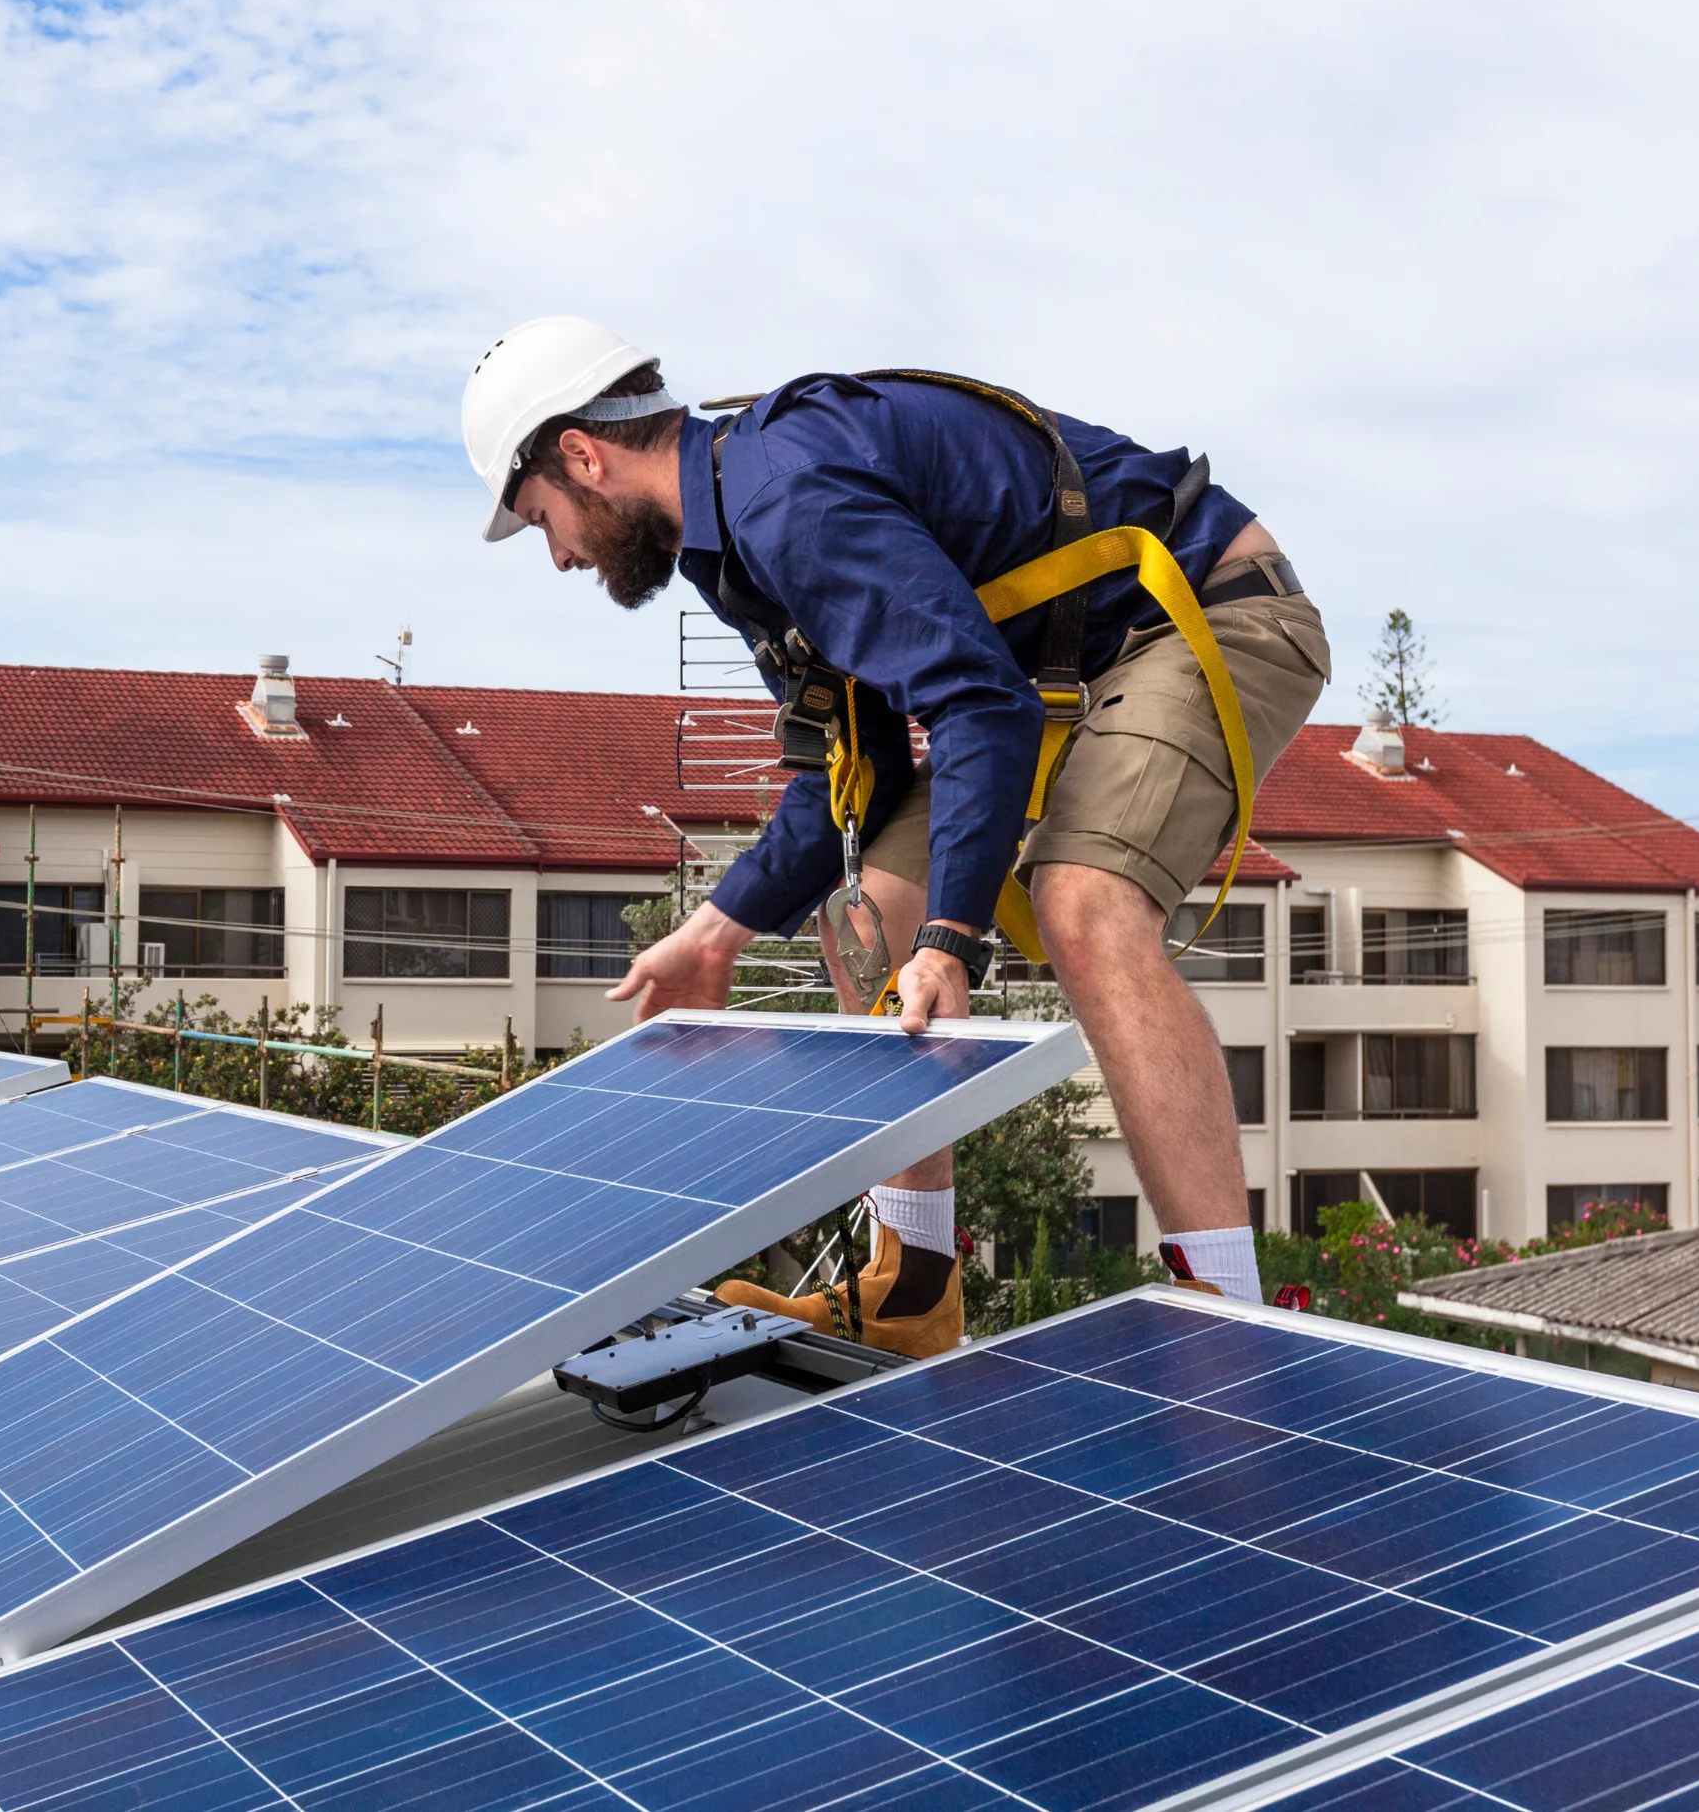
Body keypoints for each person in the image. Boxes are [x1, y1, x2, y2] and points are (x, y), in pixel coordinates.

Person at [461, 318, 1329, 1356]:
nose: (559, 556)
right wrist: (716, 933)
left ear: (582, 455)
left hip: (1203, 610)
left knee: (1082, 906)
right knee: (871, 913)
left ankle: (1226, 1325)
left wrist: (953, 938)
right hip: (1052, 670)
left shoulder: (784, 495)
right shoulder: (732, 541)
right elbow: (852, 773)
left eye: (543, 518)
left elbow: (980, 707)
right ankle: (913, 1290)